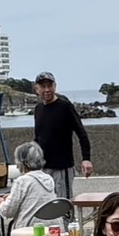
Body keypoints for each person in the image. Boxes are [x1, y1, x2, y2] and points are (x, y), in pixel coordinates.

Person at [32, 71, 93, 199]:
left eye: (50, 86)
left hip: (62, 166)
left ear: (55, 86)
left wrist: (86, 159)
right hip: (43, 167)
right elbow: (38, 138)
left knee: (62, 203)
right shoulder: (38, 109)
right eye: (43, 86)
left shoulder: (65, 106)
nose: (47, 90)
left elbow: (81, 133)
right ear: (37, 89)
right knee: (44, 203)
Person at [0, 142, 59, 232]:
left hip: (29, 228)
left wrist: (1, 203)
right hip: (52, 228)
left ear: (22, 162)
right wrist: (10, 197)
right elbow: (34, 200)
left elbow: (8, 212)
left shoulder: (22, 181)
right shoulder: (48, 179)